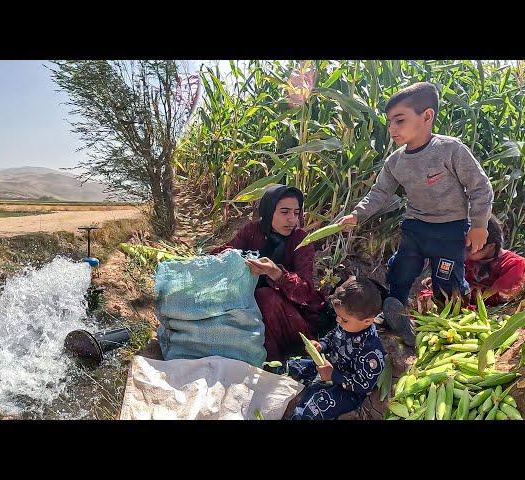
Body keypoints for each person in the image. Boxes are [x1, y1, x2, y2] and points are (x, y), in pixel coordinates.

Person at [336, 82, 494, 346]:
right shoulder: (395, 161)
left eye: (400, 120)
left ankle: (449, 328)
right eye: (389, 122)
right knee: (400, 271)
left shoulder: (450, 150)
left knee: (447, 281)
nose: (392, 128)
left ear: (427, 116)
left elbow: (480, 187)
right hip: (415, 227)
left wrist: (479, 225)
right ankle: (395, 316)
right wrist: (357, 215)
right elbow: (379, 193)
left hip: (450, 230)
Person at [209, 184, 329, 361]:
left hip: (292, 319)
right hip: (251, 310)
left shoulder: (301, 240)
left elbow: (305, 292)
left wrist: (277, 274)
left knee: (266, 296)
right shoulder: (252, 231)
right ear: (268, 210)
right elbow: (227, 253)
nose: (292, 220)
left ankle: (274, 362)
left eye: (296, 213)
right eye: (284, 212)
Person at [280, 277, 386, 420]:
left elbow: (364, 385)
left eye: (343, 319)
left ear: (367, 321)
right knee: (293, 366)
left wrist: (333, 375)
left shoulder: (372, 352)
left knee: (314, 406)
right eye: (338, 316)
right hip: (330, 365)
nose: (338, 321)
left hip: (348, 390)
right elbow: (331, 337)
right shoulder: (346, 325)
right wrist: (321, 345)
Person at [420, 215, 525, 306]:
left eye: (469, 249)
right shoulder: (469, 259)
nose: (464, 253)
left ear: (491, 246)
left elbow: (494, 296)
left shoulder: (515, 265)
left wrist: (456, 288)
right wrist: (440, 282)